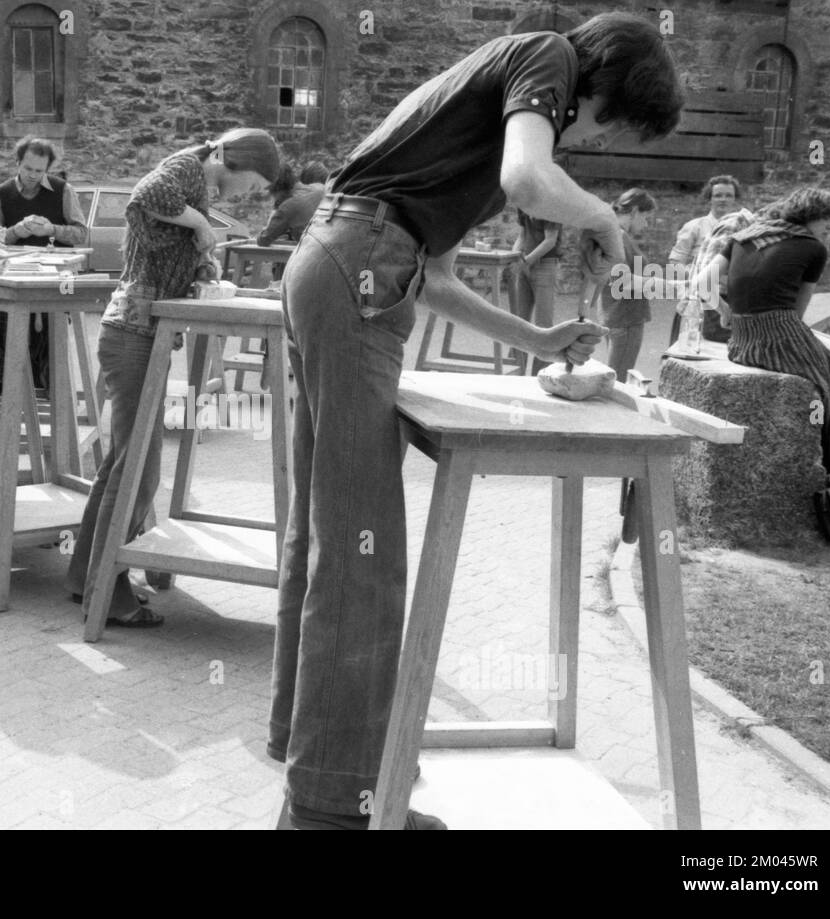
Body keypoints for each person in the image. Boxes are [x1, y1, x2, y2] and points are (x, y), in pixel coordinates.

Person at [271, 11, 683, 830]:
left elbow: (436, 277)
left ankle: (325, 762)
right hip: (353, 268)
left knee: (331, 531)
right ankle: (334, 805)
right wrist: (601, 218)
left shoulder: (467, 121)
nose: (589, 138)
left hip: (341, 261)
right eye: (607, 121)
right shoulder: (550, 55)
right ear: (599, 82)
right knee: (365, 554)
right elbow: (530, 181)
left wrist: (538, 339)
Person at [66, 128, 280, 628]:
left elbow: (167, 244)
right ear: (234, 159)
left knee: (125, 463)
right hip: (133, 335)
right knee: (137, 468)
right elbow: (145, 195)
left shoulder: (195, 181)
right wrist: (200, 223)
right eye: (249, 183)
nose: (245, 194)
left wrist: (203, 265)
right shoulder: (188, 169)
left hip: (136, 334)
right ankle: (106, 593)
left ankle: (87, 578)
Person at [710, 188, 830, 481]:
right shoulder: (813, 248)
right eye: (827, 221)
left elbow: (701, 281)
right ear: (812, 216)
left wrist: (725, 311)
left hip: (740, 342)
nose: (828, 229)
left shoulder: (743, 238)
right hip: (779, 339)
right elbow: (798, 311)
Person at [0, 136, 90, 392]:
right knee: (13, 336)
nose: (33, 175)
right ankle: (15, 392)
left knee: (53, 338)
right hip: (16, 276)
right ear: (18, 163)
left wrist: (51, 229)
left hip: (57, 276)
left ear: (48, 169)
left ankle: (53, 392)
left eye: (39, 171)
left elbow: (81, 233)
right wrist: (16, 232)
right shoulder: (2, 193)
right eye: (28, 169)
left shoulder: (63, 190)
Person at [668, 175, 742, 345]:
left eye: (728, 195)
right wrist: (693, 282)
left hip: (728, 300)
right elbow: (676, 262)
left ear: (735, 199)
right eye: (718, 195)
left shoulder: (740, 228)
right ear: (709, 198)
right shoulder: (695, 226)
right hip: (698, 301)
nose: (723, 200)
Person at [596, 188, 658, 383]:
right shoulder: (619, 236)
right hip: (626, 317)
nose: (646, 224)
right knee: (618, 381)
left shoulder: (609, 232)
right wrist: (673, 285)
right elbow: (623, 281)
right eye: (645, 217)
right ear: (634, 211)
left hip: (613, 315)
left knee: (615, 374)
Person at [511, 208, 563, 373]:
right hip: (526, 263)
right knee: (518, 320)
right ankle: (514, 370)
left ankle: (540, 374)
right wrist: (513, 258)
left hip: (545, 265)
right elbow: (522, 236)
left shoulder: (550, 206)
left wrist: (526, 261)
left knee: (543, 324)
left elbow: (550, 241)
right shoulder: (524, 205)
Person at [256, 163, 326, 247]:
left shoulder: (287, 207)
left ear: (275, 190)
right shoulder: (322, 188)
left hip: (313, 251)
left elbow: (263, 240)